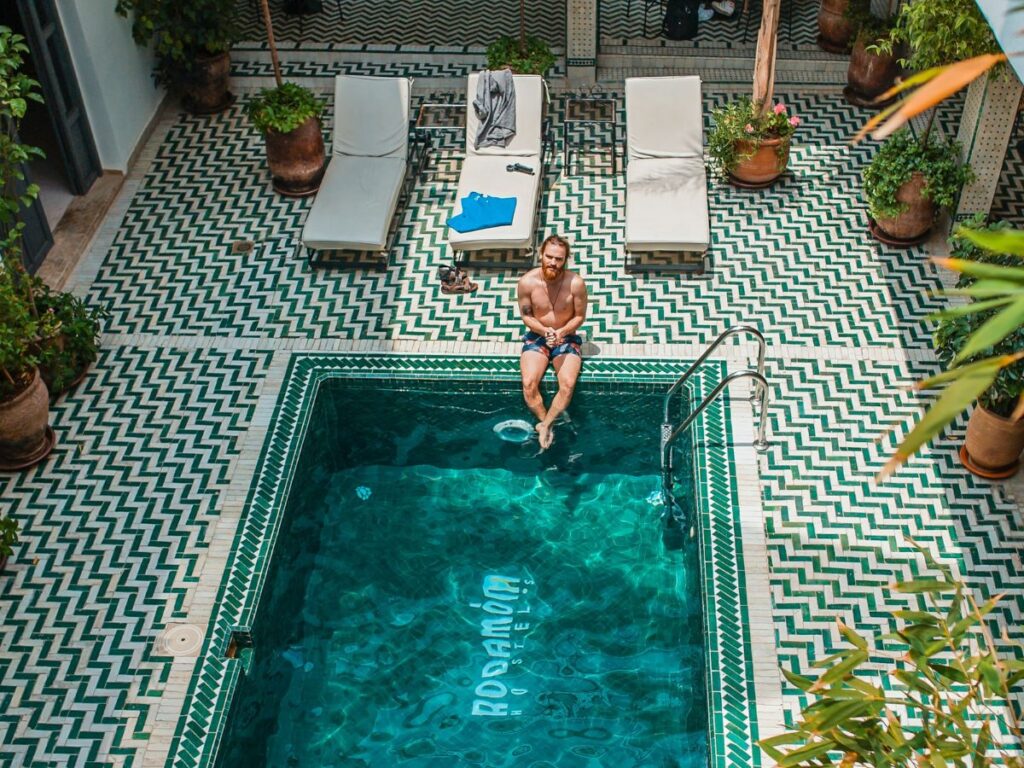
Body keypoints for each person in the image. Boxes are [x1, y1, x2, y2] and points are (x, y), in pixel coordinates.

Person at [517, 235, 589, 450]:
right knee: (529, 383)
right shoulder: (527, 282)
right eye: (549, 257)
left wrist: (562, 331)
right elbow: (526, 316)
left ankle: (547, 424)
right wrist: (545, 330)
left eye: (559, 259)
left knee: (567, 385)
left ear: (565, 259)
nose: (553, 263)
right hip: (537, 336)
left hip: (566, 337)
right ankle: (545, 424)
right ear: (541, 254)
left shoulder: (575, 283)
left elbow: (580, 316)